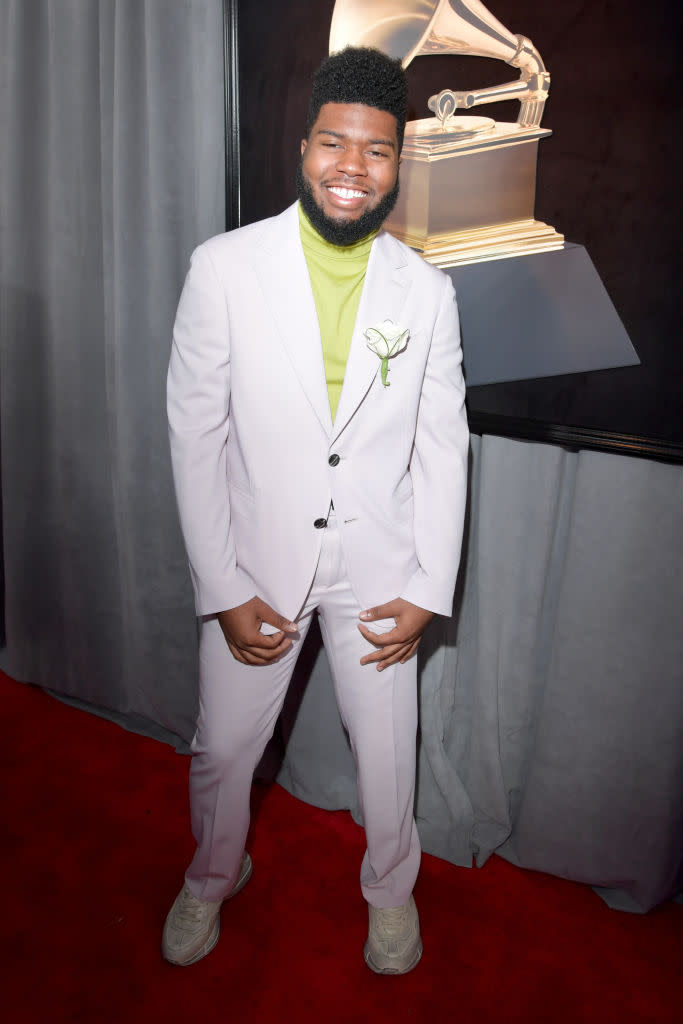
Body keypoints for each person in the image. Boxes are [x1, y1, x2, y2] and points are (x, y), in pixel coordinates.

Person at [164, 46, 468, 974]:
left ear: (397, 167)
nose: (352, 165)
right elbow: (194, 437)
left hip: (379, 572)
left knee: (387, 763)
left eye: (375, 151)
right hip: (255, 567)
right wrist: (220, 586)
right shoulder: (222, 268)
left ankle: (390, 893)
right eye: (334, 143)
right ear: (301, 149)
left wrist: (427, 584)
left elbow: (443, 446)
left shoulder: (428, 291)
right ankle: (211, 876)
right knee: (221, 750)